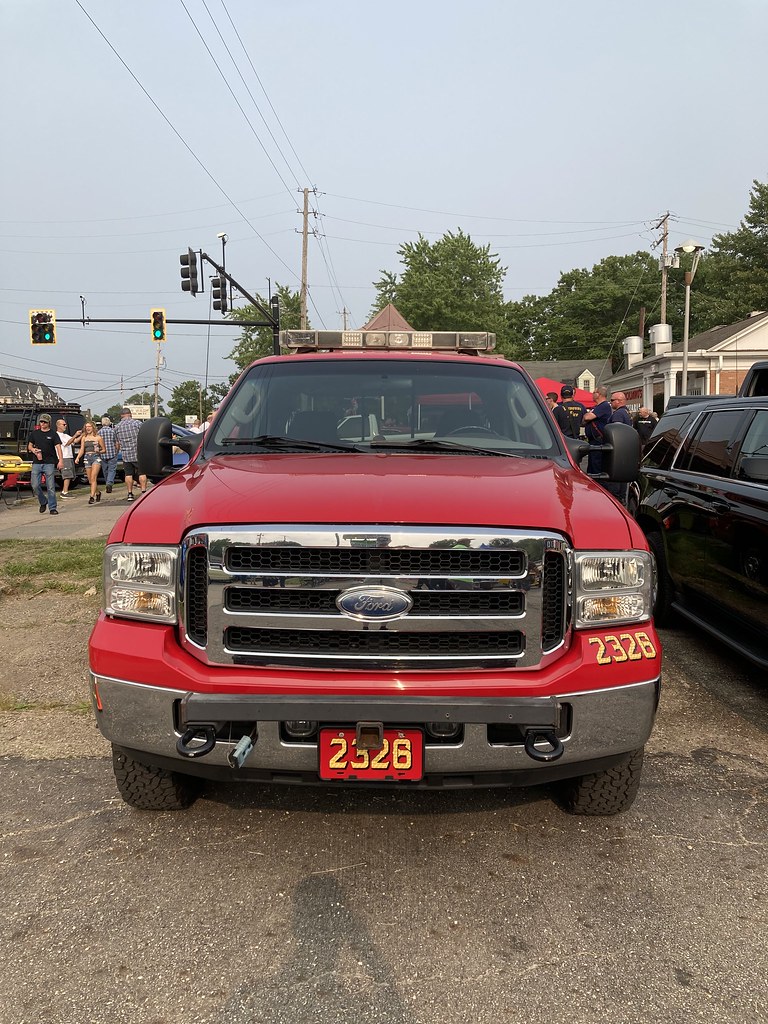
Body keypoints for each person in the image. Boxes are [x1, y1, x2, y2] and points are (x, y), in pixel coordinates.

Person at [27, 413, 63, 515]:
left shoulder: (53, 434)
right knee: (35, 485)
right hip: (37, 463)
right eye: (41, 422)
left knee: (50, 486)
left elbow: (58, 447)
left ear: (49, 423)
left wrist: (60, 460)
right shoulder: (35, 434)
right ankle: (43, 501)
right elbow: (29, 446)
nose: (42, 424)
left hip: (49, 462)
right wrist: (33, 450)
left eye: (45, 422)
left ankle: (52, 507)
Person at [113, 406, 147, 500]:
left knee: (128, 474)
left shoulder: (117, 427)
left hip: (126, 454)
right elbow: (144, 437)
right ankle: (143, 492)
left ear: (121, 416)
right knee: (142, 473)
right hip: (138, 453)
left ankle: (130, 494)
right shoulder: (137, 423)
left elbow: (117, 443)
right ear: (130, 414)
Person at [582, 385, 612, 476]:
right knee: (591, 466)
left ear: (598, 394)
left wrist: (588, 415)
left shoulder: (604, 406)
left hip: (598, 441)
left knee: (596, 466)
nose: (592, 394)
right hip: (593, 440)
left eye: (594, 392)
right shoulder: (596, 407)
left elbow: (587, 417)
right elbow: (583, 421)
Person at [75, 421, 106, 504]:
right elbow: (82, 449)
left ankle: (91, 496)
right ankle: (98, 492)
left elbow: (104, 450)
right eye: (86, 427)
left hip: (96, 457)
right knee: (90, 480)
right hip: (87, 457)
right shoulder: (84, 438)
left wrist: (99, 451)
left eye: (89, 426)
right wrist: (78, 457)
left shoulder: (98, 437)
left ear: (93, 427)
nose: (88, 428)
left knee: (93, 477)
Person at [56, 418, 81, 497]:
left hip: (69, 457)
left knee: (70, 474)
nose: (65, 426)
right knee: (67, 475)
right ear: (58, 425)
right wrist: (75, 435)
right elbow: (67, 443)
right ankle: (64, 492)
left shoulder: (65, 435)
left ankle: (65, 490)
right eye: (63, 424)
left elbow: (75, 441)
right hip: (64, 457)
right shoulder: (57, 435)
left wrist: (82, 435)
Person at [99, 416, 119, 493]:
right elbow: (116, 443)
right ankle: (109, 483)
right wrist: (117, 451)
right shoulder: (112, 431)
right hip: (112, 452)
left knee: (105, 469)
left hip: (103, 454)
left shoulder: (99, 432)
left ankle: (107, 482)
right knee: (112, 469)